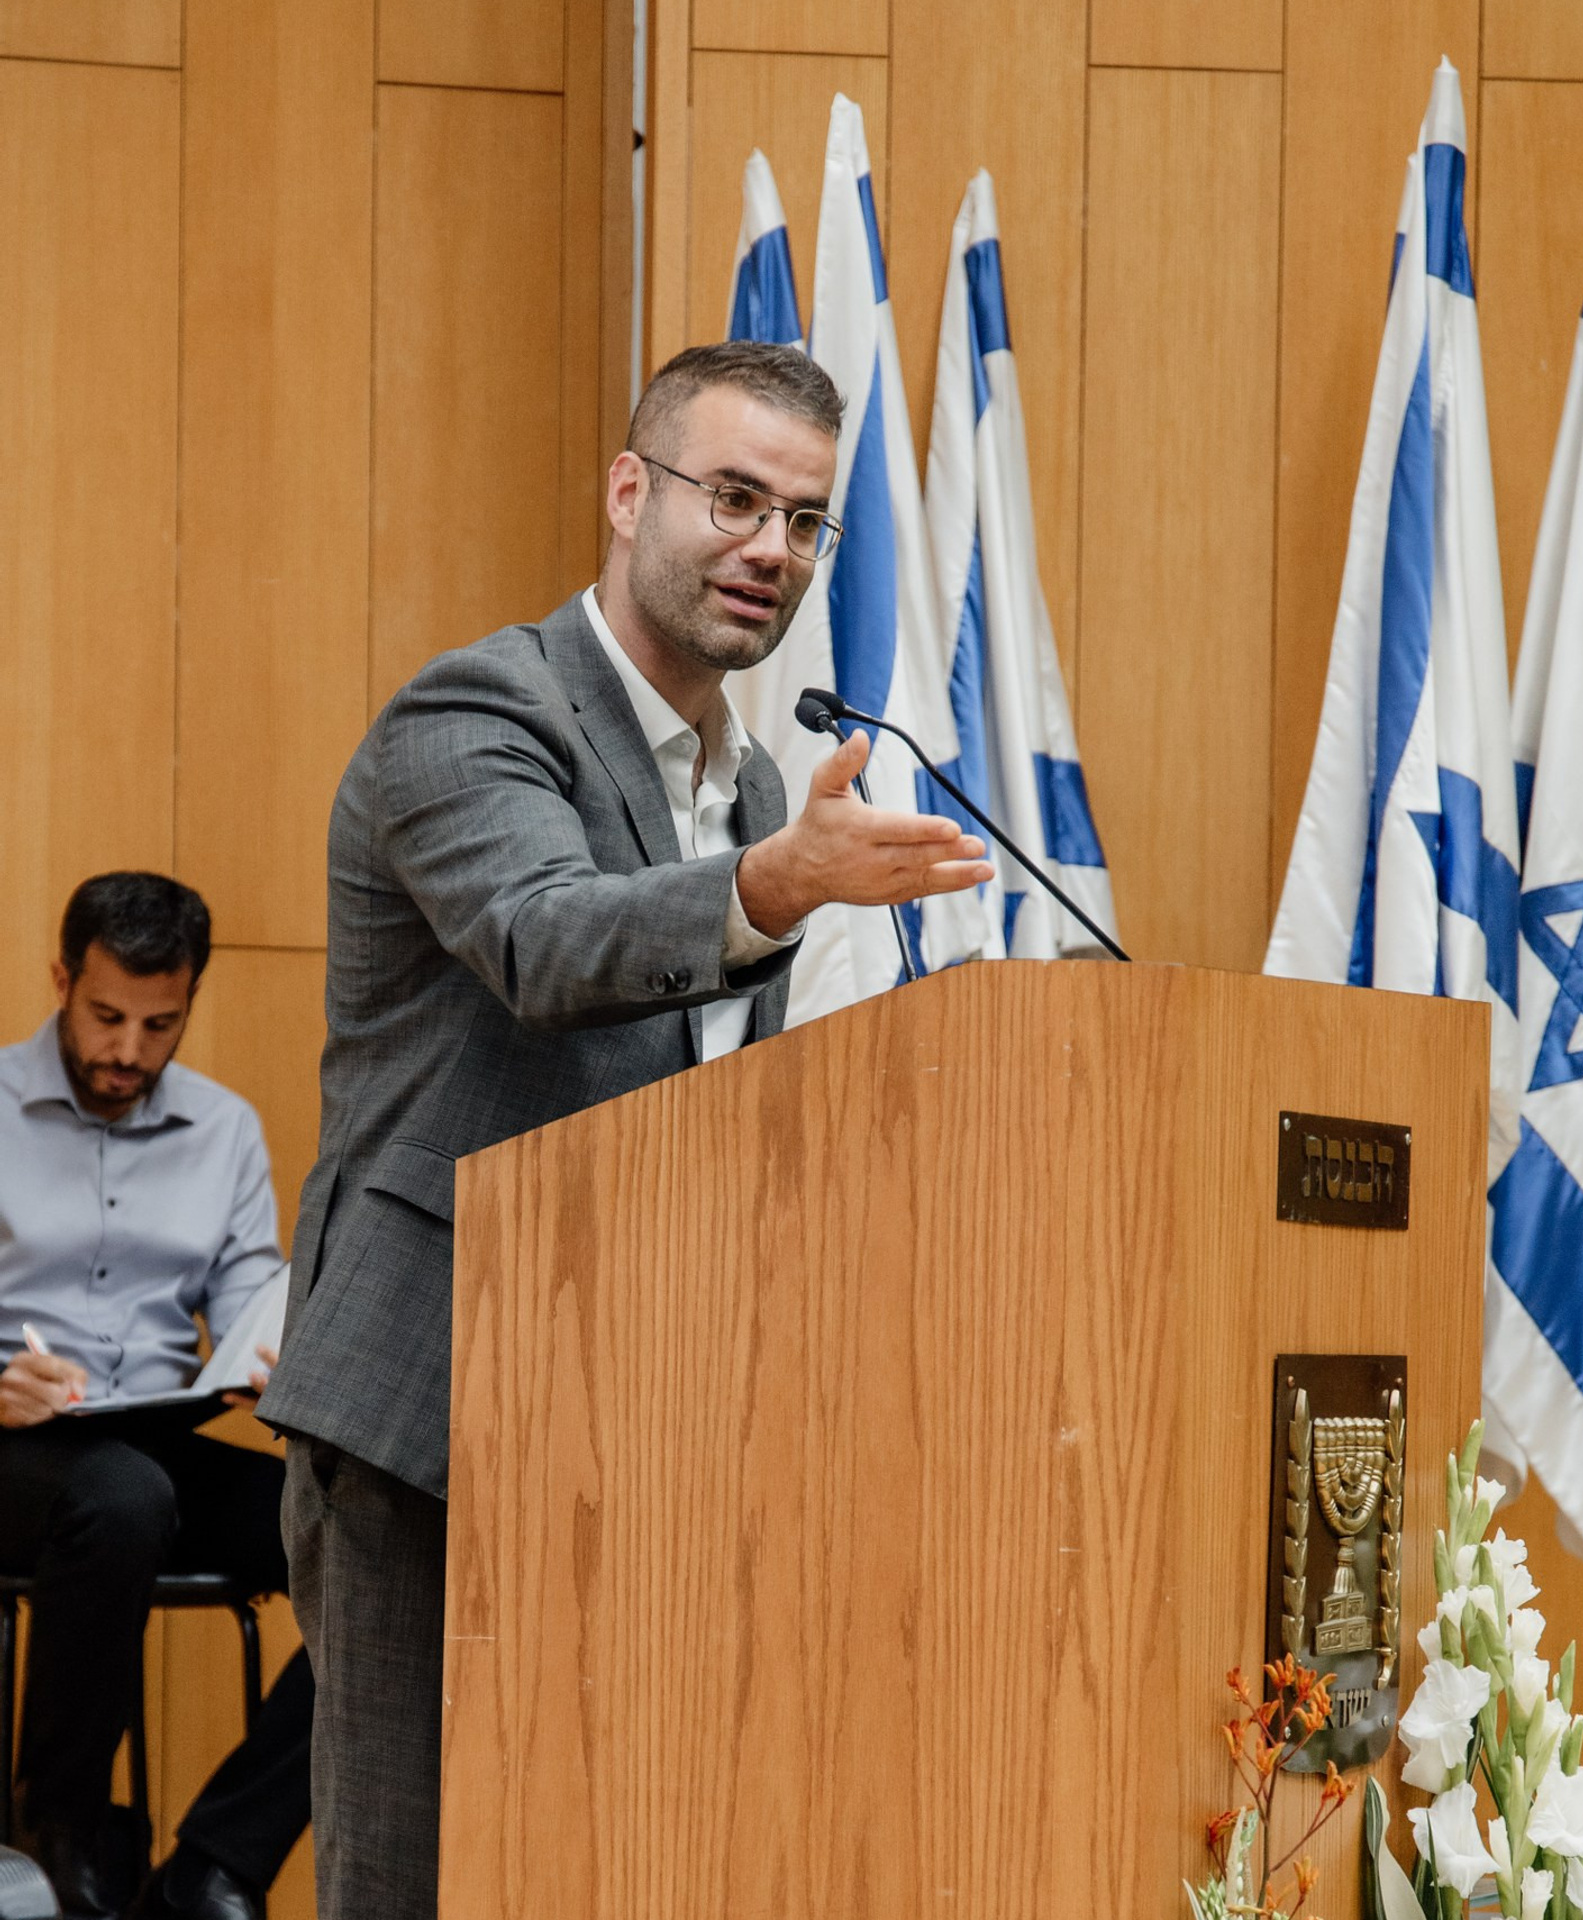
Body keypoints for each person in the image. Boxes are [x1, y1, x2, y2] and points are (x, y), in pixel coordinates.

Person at [258, 339, 993, 1918]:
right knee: (414, 1879)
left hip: (656, 1424)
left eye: (805, 524)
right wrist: (770, 889)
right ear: (626, 491)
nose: (768, 551)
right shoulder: (476, 712)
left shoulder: (752, 791)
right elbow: (545, 940)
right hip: (433, 1409)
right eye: (733, 498)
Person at [0, 873, 315, 1920]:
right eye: (105, 1018)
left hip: (152, 1435)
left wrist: (267, 1354)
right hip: (17, 1443)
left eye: (159, 1023)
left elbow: (244, 1289)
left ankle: (218, 1863)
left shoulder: (223, 1131)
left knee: (377, 1537)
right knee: (126, 1496)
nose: (128, 1050)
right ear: (62, 980)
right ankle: (59, 1830)